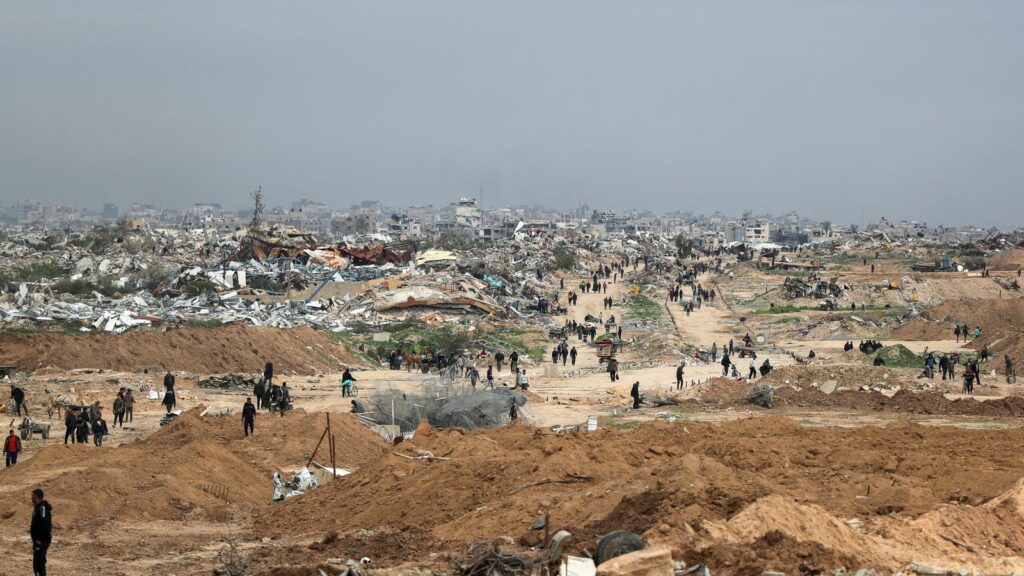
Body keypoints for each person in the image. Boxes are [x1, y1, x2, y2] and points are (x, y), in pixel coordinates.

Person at [30, 488, 52, 576]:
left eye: (32, 495)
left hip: (42, 540)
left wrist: (39, 539)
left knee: (39, 563)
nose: (31, 497)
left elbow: (44, 524)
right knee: (37, 563)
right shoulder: (38, 508)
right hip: (38, 541)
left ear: (36, 496)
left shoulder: (42, 508)